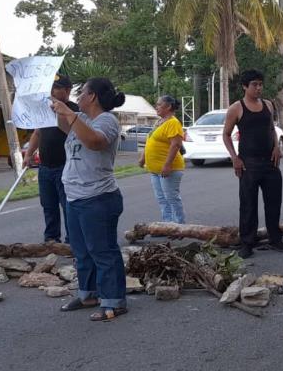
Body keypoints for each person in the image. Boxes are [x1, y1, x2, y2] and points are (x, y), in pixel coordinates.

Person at [50, 77, 128, 321]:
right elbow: (62, 124)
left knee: (103, 251)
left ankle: (114, 301)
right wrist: (50, 100)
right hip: (75, 196)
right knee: (81, 251)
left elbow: (95, 142)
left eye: (82, 92)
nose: (78, 97)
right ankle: (88, 294)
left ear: (93, 96)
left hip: (98, 198)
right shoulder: (80, 119)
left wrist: (69, 113)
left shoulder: (107, 120)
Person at [223, 69, 283, 259]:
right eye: (254, 84)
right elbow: (226, 134)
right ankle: (247, 243)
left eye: (260, 84)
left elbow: (271, 128)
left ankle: (275, 239)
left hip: (270, 163)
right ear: (245, 86)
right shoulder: (236, 108)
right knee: (248, 205)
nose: (258, 88)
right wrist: (234, 158)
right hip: (248, 163)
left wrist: (277, 147)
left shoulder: (268, 105)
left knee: (273, 203)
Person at [24, 73, 78, 243]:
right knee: (48, 206)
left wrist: (59, 113)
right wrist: (28, 153)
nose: (52, 92)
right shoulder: (44, 109)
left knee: (68, 206)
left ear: (67, 90)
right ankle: (51, 239)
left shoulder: (73, 110)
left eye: (56, 88)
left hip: (66, 166)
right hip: (45, 167)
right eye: (51, 88)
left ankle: (72, 241)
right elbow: (37, 133)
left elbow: (74, 132)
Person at [139, 95, 186, 224]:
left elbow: (176, 144)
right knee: (161, 198)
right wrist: (143, 158)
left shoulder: (173, 122)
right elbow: (150, 140)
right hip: (155, 170)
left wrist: (167, 165)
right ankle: (167, 224)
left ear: (168, 106)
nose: (156, 107)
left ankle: (179, 226)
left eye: (159, 104)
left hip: (169, 169)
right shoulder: (159, 122)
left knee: (171, 198)